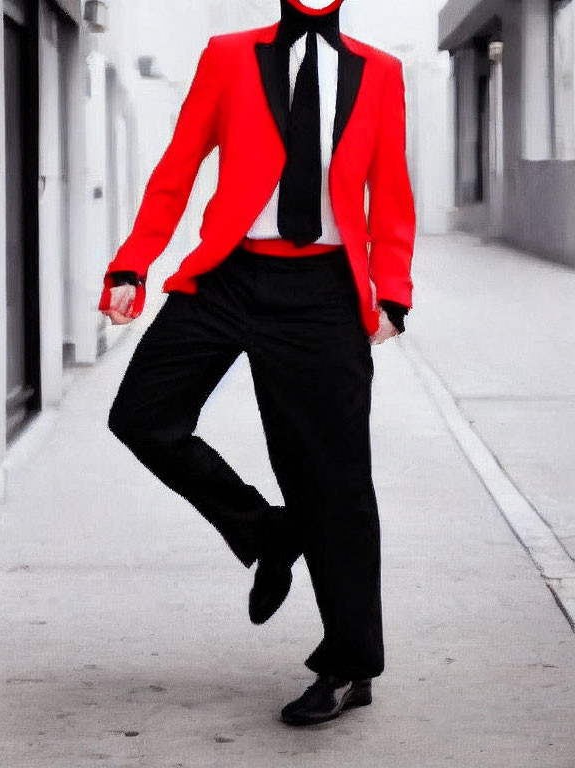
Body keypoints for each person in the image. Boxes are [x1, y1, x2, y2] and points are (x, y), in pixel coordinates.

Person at [99, 0, 416, 727]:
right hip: (228, 275)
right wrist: (133, 264)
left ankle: (349, 663)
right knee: (142, 416)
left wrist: (392, 291)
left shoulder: (381, 72)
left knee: (331, 482)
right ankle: (265, 531)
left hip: (326, 294)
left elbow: (390, 192)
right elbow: (178, 167)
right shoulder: (228, 56)